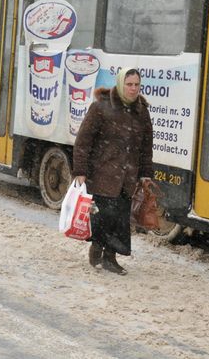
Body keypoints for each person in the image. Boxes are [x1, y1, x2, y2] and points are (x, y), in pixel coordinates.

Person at [72, 67, 157, 275]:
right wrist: (80, 171)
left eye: (137, 85)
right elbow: (83, 141)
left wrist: (145, 174)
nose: (133, 89)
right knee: (103, 217)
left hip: (128, 177)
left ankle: (111, 258)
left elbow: (146, 146)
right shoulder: (101, 107)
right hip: (102, 174)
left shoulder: (141, 111)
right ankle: (96, 250)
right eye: (129, 84)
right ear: (120, 84)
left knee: (120, 220)